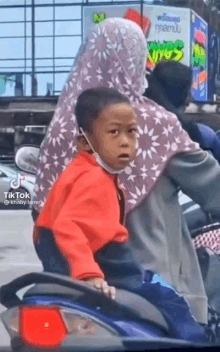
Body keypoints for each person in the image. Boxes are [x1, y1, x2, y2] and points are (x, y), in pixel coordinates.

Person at [32, 18, 220, 330]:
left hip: (70, 282)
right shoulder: (154, 124)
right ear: (135, 60)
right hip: (151, 283)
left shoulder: (62, 128)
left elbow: (43, 214)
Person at [34, 86, 207, 342]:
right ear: (84, 141)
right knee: (169, 298)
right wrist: (89, 274)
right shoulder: (92, 177)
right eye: (114, 132)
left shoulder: (88, 170)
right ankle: (194, 340)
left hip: (77, 256)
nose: (125, 141)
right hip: (106, 260)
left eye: (131, 131)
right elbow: (67, 226)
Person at [144, 60, 220, 163]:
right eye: (188, 90)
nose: (190, 97)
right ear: (181, 94)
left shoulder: (140, 123)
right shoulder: (204, 135)